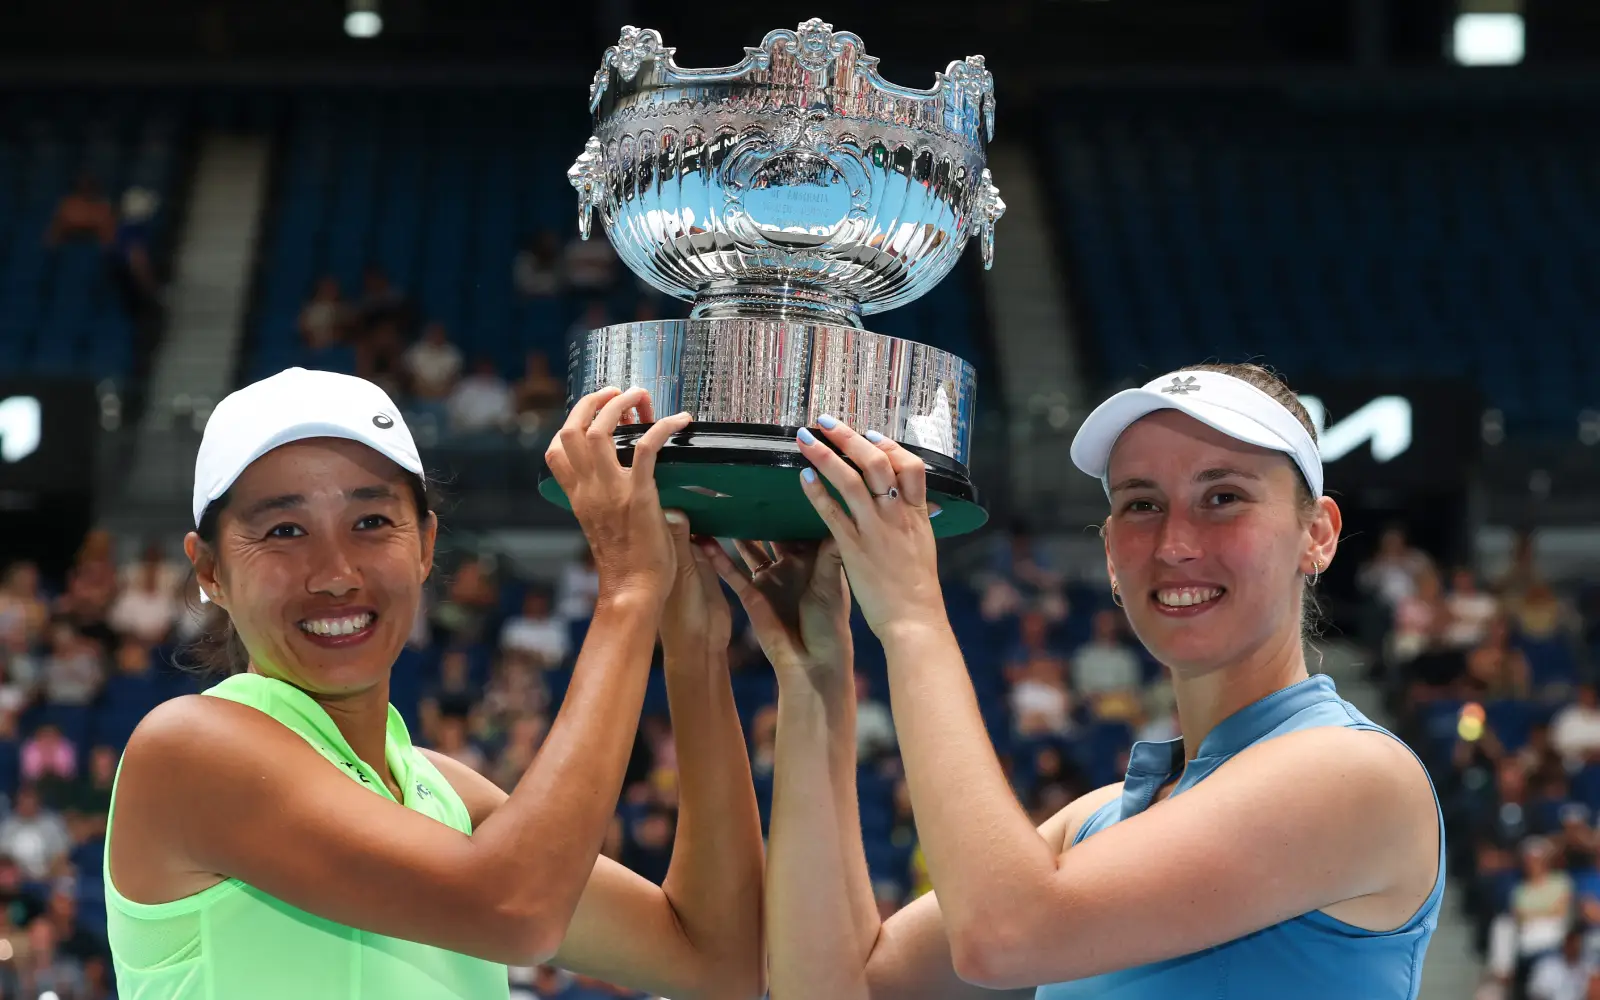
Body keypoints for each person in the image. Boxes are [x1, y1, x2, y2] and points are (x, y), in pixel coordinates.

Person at [729, 363, 1443, 999]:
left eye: (1222, 496)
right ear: (1108, 553)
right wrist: (813, 679)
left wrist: (914, 616)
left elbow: (1003, 935)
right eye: (1141, 503)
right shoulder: (1096, 823)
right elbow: (836, 985)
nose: (1176, 543)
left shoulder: (1356, 773)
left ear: (1317, 533)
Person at [104, 369, 765, 999]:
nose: (336, 573)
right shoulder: (189, 748)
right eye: (284, 531)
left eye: (370, 523)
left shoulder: (445, 792)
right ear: (210, 570)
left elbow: (717, 963)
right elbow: (518, 912)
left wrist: (694, 646)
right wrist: (626, 594)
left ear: (424, 546)